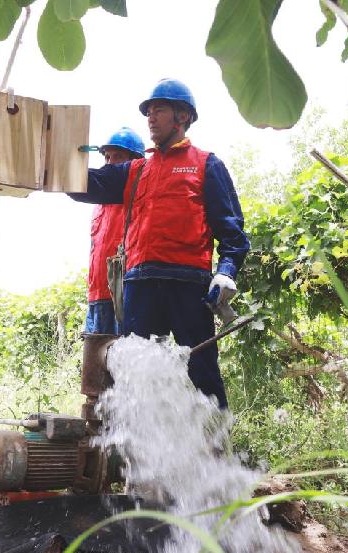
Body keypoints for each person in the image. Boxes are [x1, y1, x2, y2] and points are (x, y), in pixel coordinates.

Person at [69, 78, 249, 409]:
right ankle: (135, 443)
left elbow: (232, 229)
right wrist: (55, 160)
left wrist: (226, 271)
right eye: (148, 112)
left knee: (202, 371)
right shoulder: (135, 171)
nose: (151, 118)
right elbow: (87, 182)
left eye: (159, 110)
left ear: (183, 116)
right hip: (140, 285)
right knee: (134, 374)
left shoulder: (206, 164)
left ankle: (217, 437)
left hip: (189, 284)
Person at [85, 127, 146, 335]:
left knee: (126, 353)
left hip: (124, 295)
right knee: (94, 354)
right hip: (96, 297)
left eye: (118, 157)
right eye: (107, 157)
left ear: (135, 162)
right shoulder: (98, 204)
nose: (110, 163)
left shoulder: (138, 196)